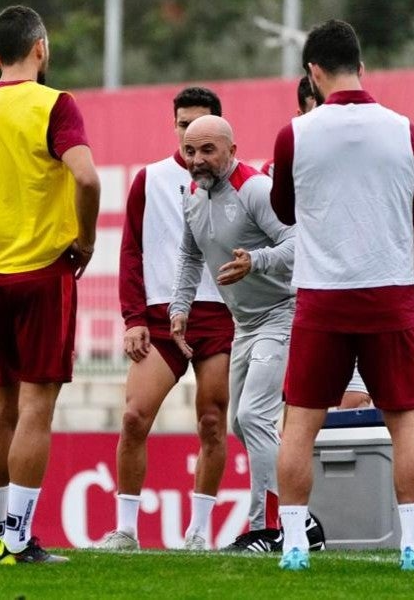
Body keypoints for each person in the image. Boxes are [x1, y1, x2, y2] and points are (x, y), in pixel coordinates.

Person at [269, 19, 414, 572]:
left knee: (300, 422)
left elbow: (284, 210)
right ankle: (412, 545)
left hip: (323, 294)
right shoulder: (406, 130)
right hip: (390, 292)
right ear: (361, 67)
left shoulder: (295, 134)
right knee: (405, 423)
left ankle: (294, 542)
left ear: (313, 73)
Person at [0, 5, 100, 564]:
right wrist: (86, 238)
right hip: (43, 271)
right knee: (36, 407)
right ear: (41, 48)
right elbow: (85, 175)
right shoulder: (55, 104)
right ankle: (20, 538)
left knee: (0, 407)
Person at [96, 87, 234, 552]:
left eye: (200, 128)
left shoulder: (243, 184)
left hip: (218, 318)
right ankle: (126, 531)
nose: (190, 139)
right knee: (134, 416)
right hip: (157, 319)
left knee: (213, 422)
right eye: (182, 127)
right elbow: (131, 249)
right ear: (174, 127)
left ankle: (199, 533)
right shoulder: (149, 179)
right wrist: (133, 316)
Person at [168, 115, 295, 553]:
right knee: (242, 423)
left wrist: (256, 261)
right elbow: (189, 255)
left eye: (208, 150)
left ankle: (268, 529)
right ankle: (297, 517)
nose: (197, 160)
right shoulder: (191, 193)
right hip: (245, 324)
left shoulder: (255, 189)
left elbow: (298, 243)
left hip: (283, 314)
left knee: (255, 419)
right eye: (190, 151)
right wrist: (179, 307)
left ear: (232, 150)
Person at [266, 76, 370, 411]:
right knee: (300, 414)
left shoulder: (371, 157)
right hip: (305, 307)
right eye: (320, 106)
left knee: (353, 405)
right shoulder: (274, 171)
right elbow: (280, 231)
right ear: (301, 113)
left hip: (363, 299)